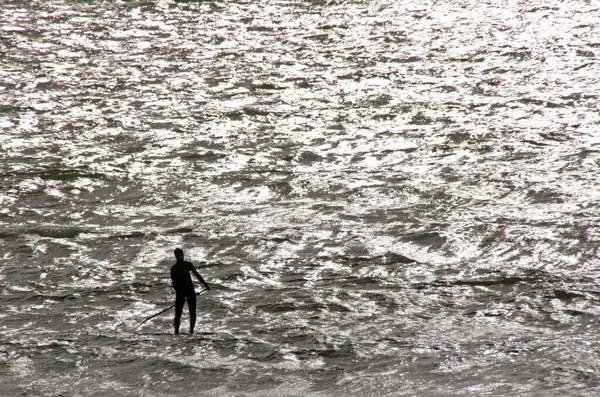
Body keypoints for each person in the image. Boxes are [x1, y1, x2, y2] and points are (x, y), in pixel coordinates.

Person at [170, 248, 210, 335]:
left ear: (175, 256)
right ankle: (191, 331)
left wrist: (179, 293)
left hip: (180, 292)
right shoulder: (188, 264)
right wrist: (205, 285)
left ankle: (176, 332)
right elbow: (197, 275)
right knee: (192, 312)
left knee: (178, 314)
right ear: (182, 255)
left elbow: (174, 283)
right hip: (190, 291)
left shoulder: (173, 268)